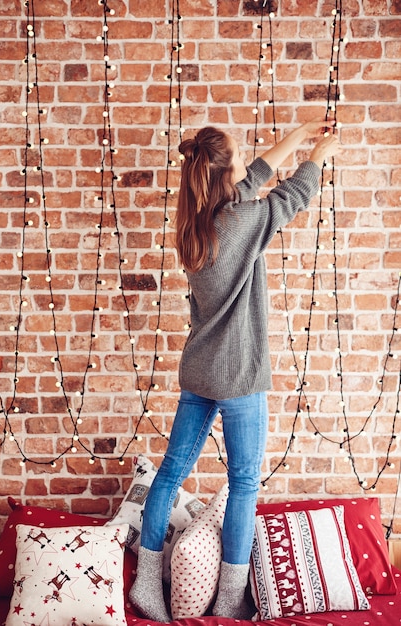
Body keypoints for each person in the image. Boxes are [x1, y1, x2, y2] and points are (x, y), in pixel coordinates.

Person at [129, 121, 341, 622]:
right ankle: (229, 597)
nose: (249, 163)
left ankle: (145, 580)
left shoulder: (197, 223)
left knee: (170, 475)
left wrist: (298, 135)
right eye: (241, 156)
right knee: (245, 483)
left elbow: (252, 182)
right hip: (240, 375)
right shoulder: (244, 223)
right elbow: (290, 195)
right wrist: (320, 154)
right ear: (225, 174)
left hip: (200, 372)